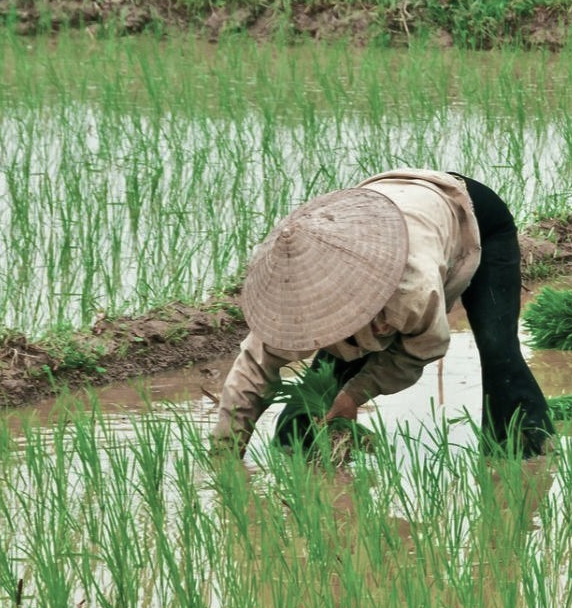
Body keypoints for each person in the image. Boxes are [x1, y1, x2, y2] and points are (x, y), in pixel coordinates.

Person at [211, 169, 552, 458]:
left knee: (497, 349)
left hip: (470, 214)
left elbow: (424, 347)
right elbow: (252, 372)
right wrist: (225, 454)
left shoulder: (412, 287)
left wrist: (354, 395)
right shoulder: (291, 302)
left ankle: (526, 451)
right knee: (331, 365)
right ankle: (299, 448)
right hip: (379, 208)